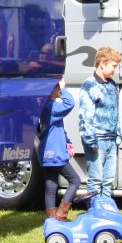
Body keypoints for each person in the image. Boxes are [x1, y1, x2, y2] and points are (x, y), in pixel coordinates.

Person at [79, 46, 121, 199]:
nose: (115, 70)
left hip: (111, 139)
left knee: (108, 180)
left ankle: (106, 209)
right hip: (97, 139)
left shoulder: (112, 85)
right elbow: (85, 114)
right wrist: (90, 140)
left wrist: (118, 135)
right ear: (102, 63)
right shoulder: (90, 84)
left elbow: (116, 112)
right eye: (113, 66)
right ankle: (95, 210)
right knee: (96, 179)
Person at [38, 79, 79, 221]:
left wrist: (67, 142)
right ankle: (61, 215)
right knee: (75, 180)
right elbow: (70, 103)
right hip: (55, 154)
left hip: (46, 153)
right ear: (54, 89)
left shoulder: (44, 107)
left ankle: (51, 219)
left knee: (51, 186)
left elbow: (57, 129)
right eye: (58, 88)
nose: (59, 91)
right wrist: (64, 88)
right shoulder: (51, 107)